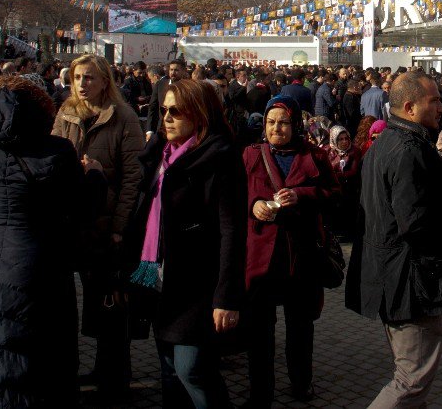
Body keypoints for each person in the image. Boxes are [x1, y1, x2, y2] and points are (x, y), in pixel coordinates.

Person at [0, 75, 106, 407]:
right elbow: (83, 209)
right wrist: (95, 174)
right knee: (43, 356)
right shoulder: (58, 151)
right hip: (42, 265)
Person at [128, 78, 246, 408]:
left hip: (197, 283)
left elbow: (232, 233)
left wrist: (227, 297)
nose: (166, 117)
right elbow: (142, 215)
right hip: (157, 278)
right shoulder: (158, 157)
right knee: (168, 370)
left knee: (191, 369)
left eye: (176, 111)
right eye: (163, 110)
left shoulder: (219, 159)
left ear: (198, 115)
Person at [346, 71, 442, 408]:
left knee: (411, 379)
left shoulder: (388, 143)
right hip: (410, 281)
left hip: (397, 276)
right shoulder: (409, 150)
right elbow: (416, 223)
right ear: (409, 107)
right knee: (411, 381)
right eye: (434, 101)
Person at [51, 55, 144, 401]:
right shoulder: (65, 113)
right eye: (77, 77)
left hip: (106, 225)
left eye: (89, 77)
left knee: (109, 305)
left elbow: (133, 177)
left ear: (105, 81)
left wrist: (120, 224)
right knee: (65, 306)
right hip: (70, 223)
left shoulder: (123, 118)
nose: (82, 84)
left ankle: (115, 377)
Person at [243, 94, 337, 406]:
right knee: (259, 332)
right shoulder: (250, 155)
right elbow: (234, 194)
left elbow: (334, 194)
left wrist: (302, 196)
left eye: (283, 123)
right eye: (271, 122)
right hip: (262, 256)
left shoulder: (314, 155)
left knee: (300, 328)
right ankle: (260, 392)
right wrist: (254, 205)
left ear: (295, 124)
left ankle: (301, 382)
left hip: (302, 255)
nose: (276, 128)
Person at [328, 124, 362, 239]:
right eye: (340, 139)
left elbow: (355, 172)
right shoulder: (329, 152)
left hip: (351, 191)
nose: (344, 142)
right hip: (335, 192)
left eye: (346, 138)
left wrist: (339, 175)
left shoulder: (355, 152)